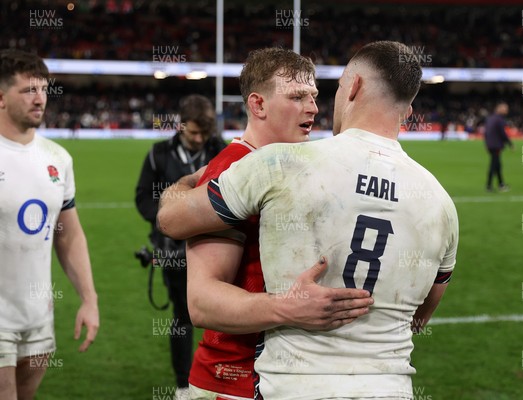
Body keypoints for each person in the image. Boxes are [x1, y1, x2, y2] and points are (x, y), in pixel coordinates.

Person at [158, 41, 459, 399]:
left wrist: (182, 185)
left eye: (315, 96)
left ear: (355, 88)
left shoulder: (290, 165)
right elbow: (202, 301)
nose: (314, 108)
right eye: (298, 97)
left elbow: (171, 218)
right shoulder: (439, 201)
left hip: (281, 381)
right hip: (234, 380)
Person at [0, 49, 99, 400]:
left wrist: (89, 299)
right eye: (28, 90)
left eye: (43, 89)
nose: (40, 98)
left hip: (38, 318)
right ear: (1, 97)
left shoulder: (58, 158)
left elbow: (69, 235)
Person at [135, 94, 227, 399]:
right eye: (193, 133)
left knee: (226, 312)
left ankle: (225, 377)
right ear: (180, 126)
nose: (199, 139)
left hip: (218, 246)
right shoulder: (159, 153)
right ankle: (183, 384)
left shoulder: (223, 150)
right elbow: (143, 197)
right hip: (172, 252)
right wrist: (165, 221)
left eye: (204, 133)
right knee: (182, 316)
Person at [484, 102, 513, 192]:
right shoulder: (499, 119)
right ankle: (489, 186)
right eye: (505, 108)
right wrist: (510, 143)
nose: (506, 110)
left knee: (497, 165)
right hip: (496, 145)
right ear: (499, 109)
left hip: (490, 145)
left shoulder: (490, 118)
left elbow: (486, 133)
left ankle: (501, 184)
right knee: (494, 165)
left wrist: (487, 143)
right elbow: (502, 133)